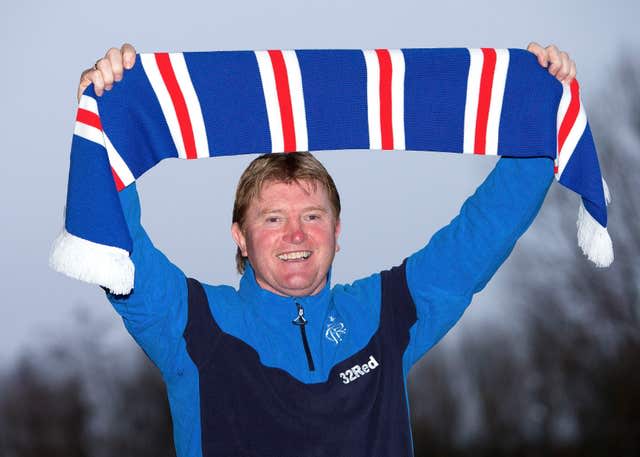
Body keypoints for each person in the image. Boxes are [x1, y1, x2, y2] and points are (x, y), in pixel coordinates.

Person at [77, 43, 576, 457]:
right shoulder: (191, 323)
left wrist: (538, 110)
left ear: (337, 233)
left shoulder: (386, 312)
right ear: (240, 238)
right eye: (273, 219)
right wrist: (103, 115)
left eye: (312, 217)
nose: (295, 235)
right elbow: (118, 245)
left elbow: (483, 232)